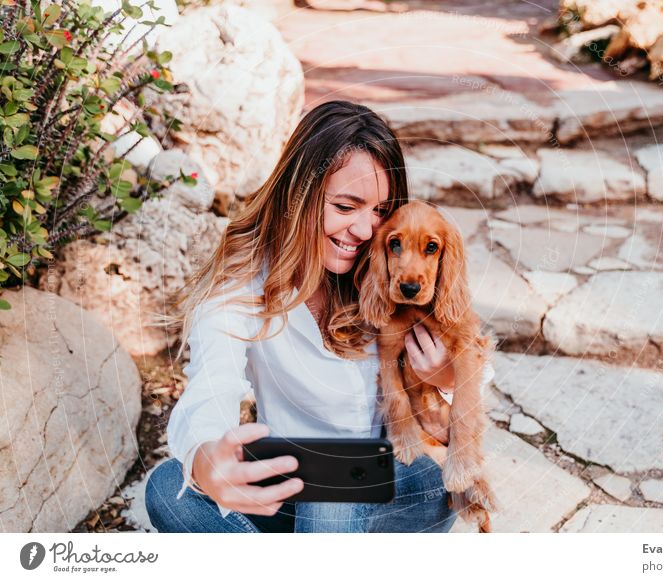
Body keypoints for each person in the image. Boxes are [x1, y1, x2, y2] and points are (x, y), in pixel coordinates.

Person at [144, 100, 494, 533]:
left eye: (379, 212)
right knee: (167, 488)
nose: (366, 232)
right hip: (300, 479)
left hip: (402, 481)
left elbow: (472, 354)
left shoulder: (387, 271)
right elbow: (211, 387)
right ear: (299, 196)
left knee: (332, 487)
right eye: (346, 207)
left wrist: (444, 378)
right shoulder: (245, 288)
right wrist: (205, 459)